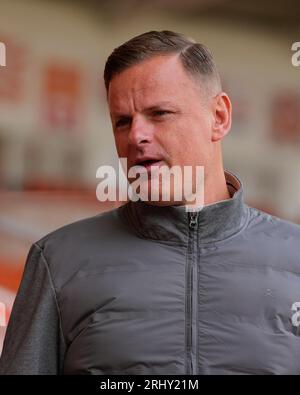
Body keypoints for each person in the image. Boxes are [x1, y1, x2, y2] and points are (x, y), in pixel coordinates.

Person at [1, 30, 300, 375]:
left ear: (218, 117)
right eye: (122, 121)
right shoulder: (58, 262)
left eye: (159, 114)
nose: (136, 136)